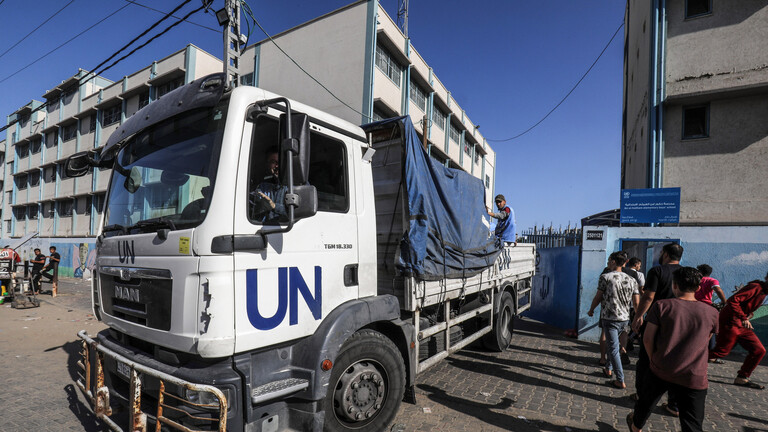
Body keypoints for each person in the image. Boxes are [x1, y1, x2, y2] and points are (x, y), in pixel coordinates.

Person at [627, 267, 719, 432]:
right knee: (692, 422)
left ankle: (635, 427)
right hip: (694, 374)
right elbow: (706, 340)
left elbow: (647, 338)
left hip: (661, 367)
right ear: (698, 288)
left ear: (674, 285)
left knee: (645, 403)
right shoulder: (712, 312)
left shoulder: (661, 306)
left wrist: (653, 359)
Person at [631, 243, 683, 414]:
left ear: (665, 254)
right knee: (675, 363)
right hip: (678, 324)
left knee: (646, 361)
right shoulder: (686, 273)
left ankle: (642, 395)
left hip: (656, 322)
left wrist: (638, 317)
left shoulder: (657, 271)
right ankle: (674, 404)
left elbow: (648, 297)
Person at [588, 251, 640, 389]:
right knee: (614, 345)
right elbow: (636, 302)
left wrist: (591, 309)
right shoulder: (632, 280)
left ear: (613, 262)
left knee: (613, 349)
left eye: (609, 260)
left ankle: (620, 379)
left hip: (610, 318)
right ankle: (608, 368)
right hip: (625, 318)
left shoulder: (606, 277)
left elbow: (598, 297)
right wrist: (638, 317)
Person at [708, 272, 768, 390]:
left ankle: (742, 377)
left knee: (759, 350)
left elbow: (745, 305)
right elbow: (733, 300)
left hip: (741, 324)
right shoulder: (755, 287)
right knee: (721, 352)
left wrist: (748, 315)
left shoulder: (763, 292)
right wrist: (743, 317)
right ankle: (686, 361)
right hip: (731, 322)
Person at [250, 146, 287, 224]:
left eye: (279, 162)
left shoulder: (298, 184)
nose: (277, 166)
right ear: (268, 164)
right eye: (273, 162)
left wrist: (274, 206)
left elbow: (299, 213)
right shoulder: (263, 186)